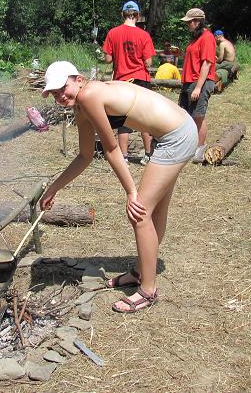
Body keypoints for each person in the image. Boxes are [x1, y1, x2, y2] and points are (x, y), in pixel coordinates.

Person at [39, 61, 197, 313]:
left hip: (177, 136)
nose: (60, 96)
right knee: (153, 211)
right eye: (54, 93)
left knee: (139, 212)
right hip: (176, 131)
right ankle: (141, 271)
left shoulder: (90, 94)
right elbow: (85, 155)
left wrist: (131, 192)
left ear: (79, 79)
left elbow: (112, 149)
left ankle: (147, 290)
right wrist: (54, 188)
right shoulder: (82, 105)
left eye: (63, 88)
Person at [103, 0, 156, 166]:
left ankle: (123, 157)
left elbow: (108, 59)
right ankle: (148, 155)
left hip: (121, 82)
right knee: (145, 119)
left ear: (122, 15)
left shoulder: (113, 33)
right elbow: (148, 63)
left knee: (122, 120)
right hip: (140, 80)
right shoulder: (144, 35)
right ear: (137, 16)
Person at [179, 8, 216, 163]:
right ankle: (189, 147)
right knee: (187, 116)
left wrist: (199, 87)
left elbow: (206, 63)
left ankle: (199, 149)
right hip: (189, 80)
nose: (188, 25)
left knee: (198, 116)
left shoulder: (207, 37)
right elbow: (193, 58)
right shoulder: (195, 38)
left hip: (199, 81)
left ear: (197, 22)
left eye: (189, 22)